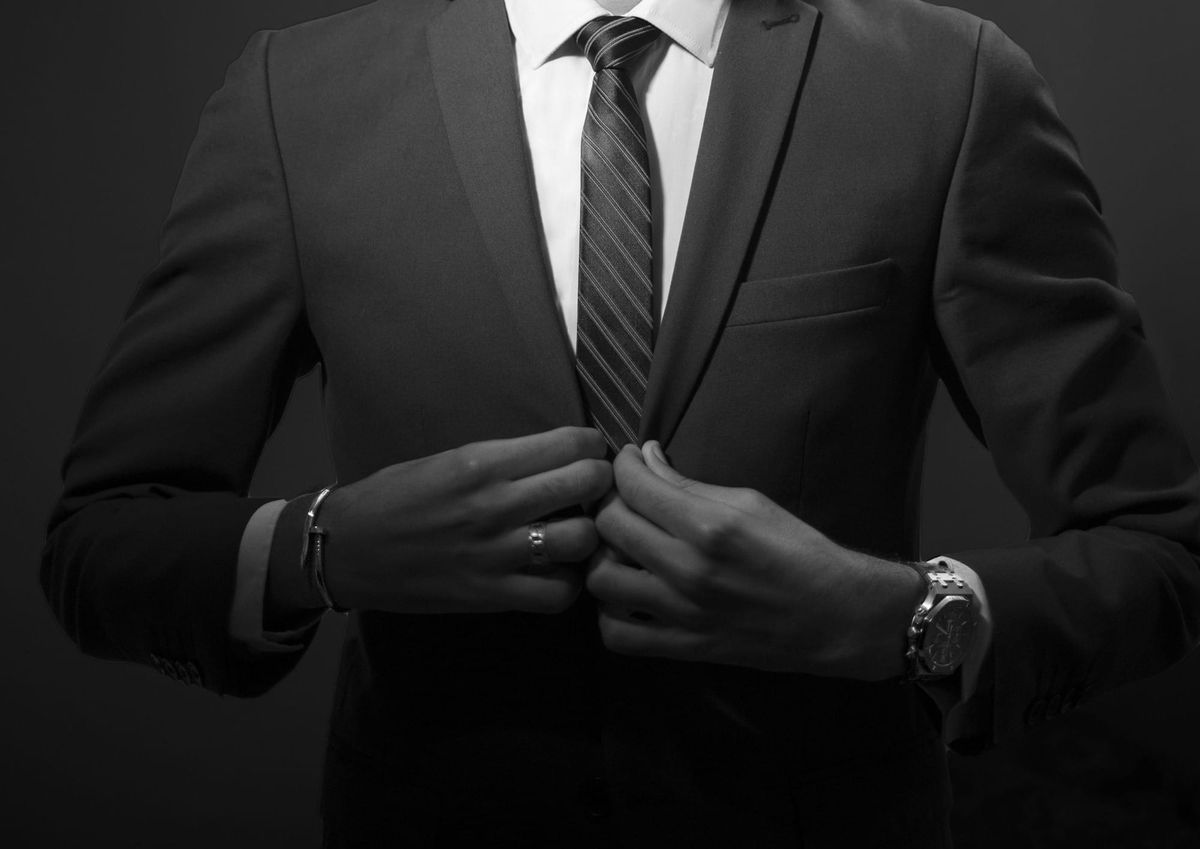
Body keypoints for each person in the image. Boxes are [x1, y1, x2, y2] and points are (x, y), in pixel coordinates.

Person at [41, 0, 1200, 846]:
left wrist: (892, 620)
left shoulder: (944, 83)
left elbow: (1160, 551)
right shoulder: (295, 96)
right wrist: (323, 548)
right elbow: (103, 542)